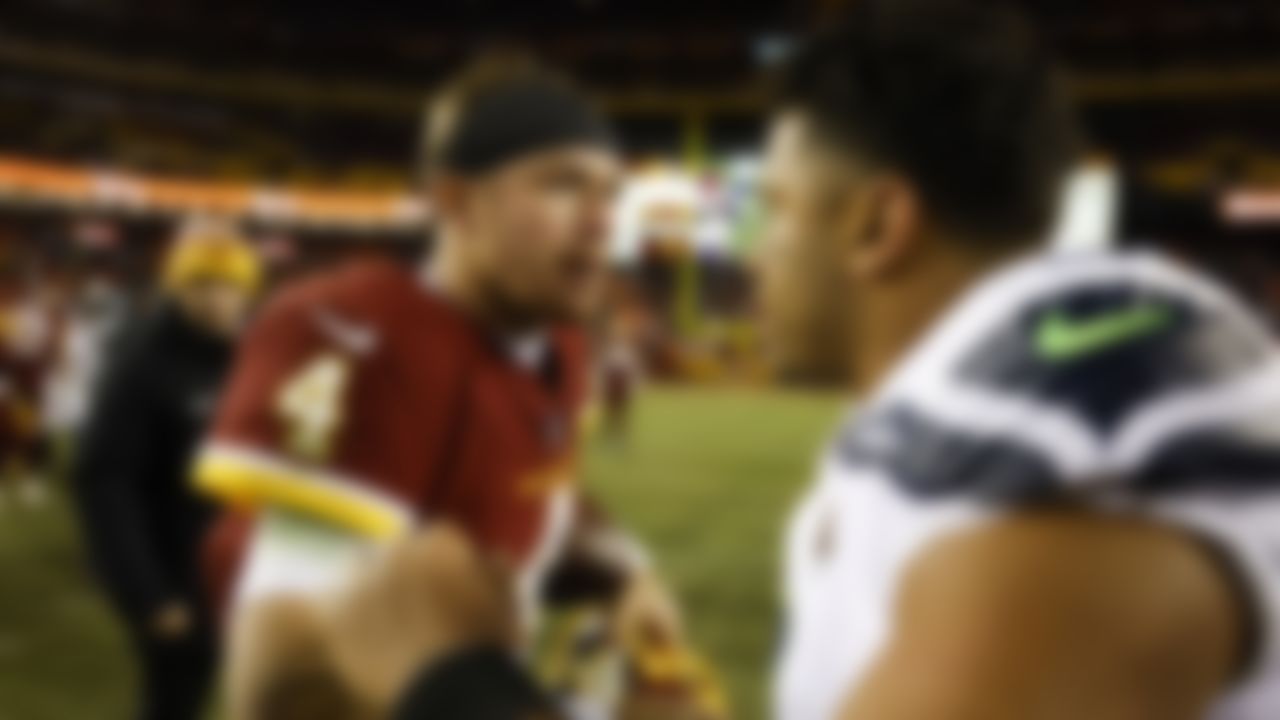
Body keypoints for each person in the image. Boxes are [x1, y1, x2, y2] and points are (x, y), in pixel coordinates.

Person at [762, 1, 1280, 718]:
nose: (758, 252)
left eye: (776, 208)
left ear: (876, 224)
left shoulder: (1073, 377)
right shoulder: (931, 401)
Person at [193, 55, 719, 719]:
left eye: (610, 192)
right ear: (455, 200)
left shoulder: (555, 339)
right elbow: (284, 683)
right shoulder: (358, 339)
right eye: (562, 185)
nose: (600, 220)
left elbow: (540, 494)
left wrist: (626, 574)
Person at [71, 220, 261, 720]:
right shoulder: (141, 364)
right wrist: (147, 592)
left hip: (239, 572)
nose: (218, 299)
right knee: (173, 703)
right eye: (202, 284)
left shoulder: (247, 357)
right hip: (176, 579)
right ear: (176, 286)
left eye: (231, 286)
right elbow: (108, 482)